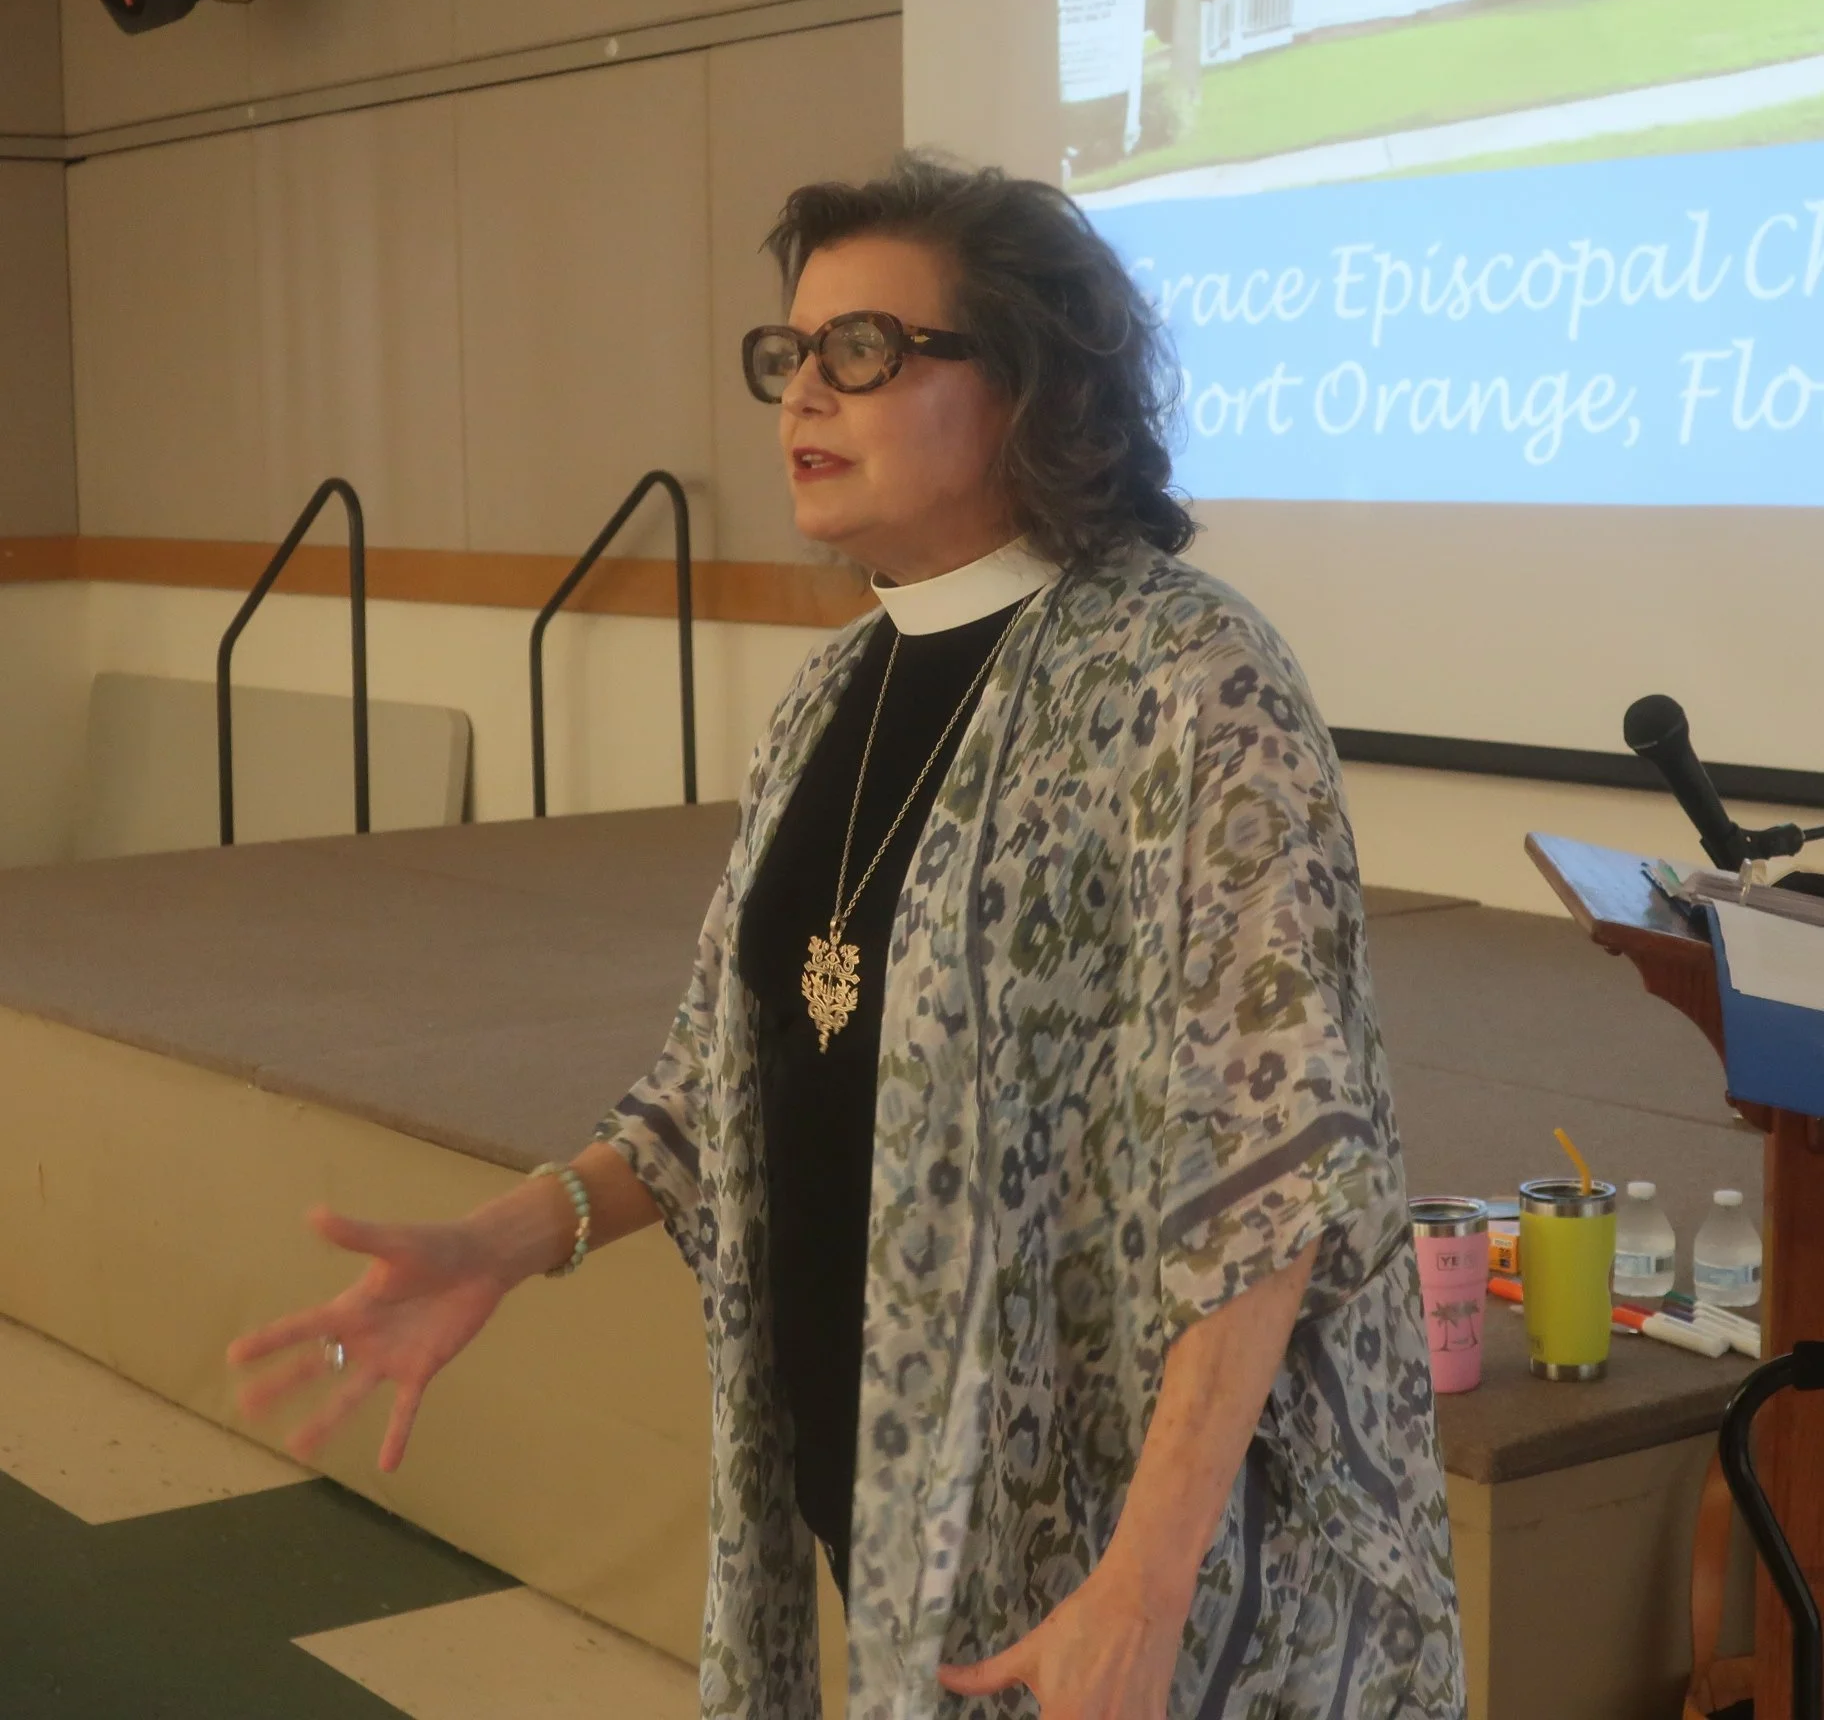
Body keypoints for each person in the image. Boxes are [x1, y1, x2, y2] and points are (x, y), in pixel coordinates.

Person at [229, 154, 1465, 1720]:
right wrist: (511, 1236)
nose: (803, 391)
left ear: (1022, 385)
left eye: (863, 350)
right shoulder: (830, 698)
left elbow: (1278, 1165)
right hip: (888, 1518)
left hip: (1147, 1589)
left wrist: (1147, 1585)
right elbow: (719, 1085)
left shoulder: (1187, 677)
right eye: (790, 353)